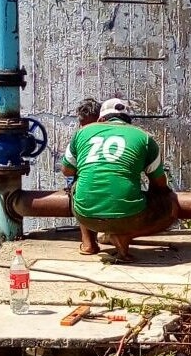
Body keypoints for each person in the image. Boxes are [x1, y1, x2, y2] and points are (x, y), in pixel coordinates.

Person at [61, 97, 178, 262]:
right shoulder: (143, 137)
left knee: (77, 182)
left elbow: (67, 171)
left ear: (101, 119)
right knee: (171, 206)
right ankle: (126, 235)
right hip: (129, 217)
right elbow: (160, 183)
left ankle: (88, 244)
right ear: (128, 121)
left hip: (85, 215)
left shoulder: (82, 133)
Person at [69, 98, 102, 256]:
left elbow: (67, 170)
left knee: (79, 187)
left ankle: (88, 242)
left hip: (87, 190)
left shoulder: (79, 135)